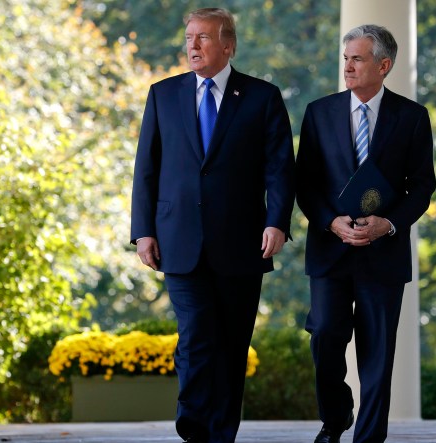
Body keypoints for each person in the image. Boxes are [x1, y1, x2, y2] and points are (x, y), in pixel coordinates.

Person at [130, 7, 295, 443]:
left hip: (242, 242)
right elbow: (146, 169)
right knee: (196, 335)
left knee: (231, 343)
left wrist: (277, 222)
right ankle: (195, 426)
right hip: (178, 239)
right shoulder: (163, 95)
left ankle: (221, 433)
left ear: (228, 45)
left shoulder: (262, 97)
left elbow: (280, 169)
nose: (193, 46)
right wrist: (143, 230)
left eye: (203, 38)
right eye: (189, 38)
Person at [295, 24, 436, 443]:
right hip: (330, 249)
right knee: (324, 336)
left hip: (383, 253)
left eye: (357, 58)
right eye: (346, 59)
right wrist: (330, 221)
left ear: (384, 65)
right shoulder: (319, 112)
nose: (348, 66)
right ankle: (335, 419)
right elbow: (305, 183)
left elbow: (422, 187)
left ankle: (369, 438)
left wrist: (388, 224)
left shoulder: (412, 117)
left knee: (377, 355)